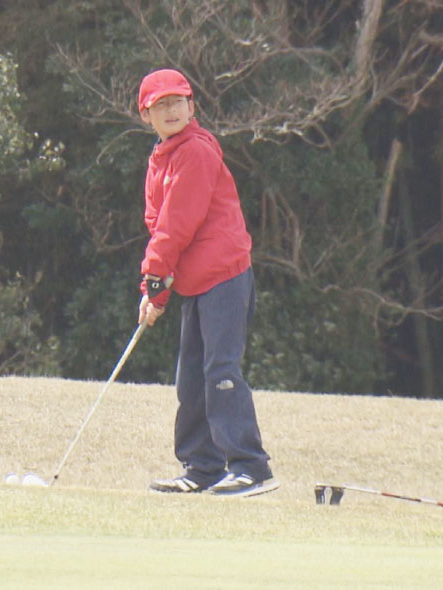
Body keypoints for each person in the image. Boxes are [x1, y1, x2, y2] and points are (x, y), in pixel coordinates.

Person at [135, 68, 279, 497]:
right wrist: (154, 287)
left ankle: (251, 466)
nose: (172, 110)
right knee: (191, 378)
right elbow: (156, 221)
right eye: (162, 105)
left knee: (219, 370)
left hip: (224, 276)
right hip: (196, 281)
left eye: (179, 102)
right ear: (147, 116)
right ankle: (202, 467)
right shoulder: (161, 157)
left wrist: (155, 279)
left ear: (192, 107)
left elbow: (177, 223)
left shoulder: (195, 151)